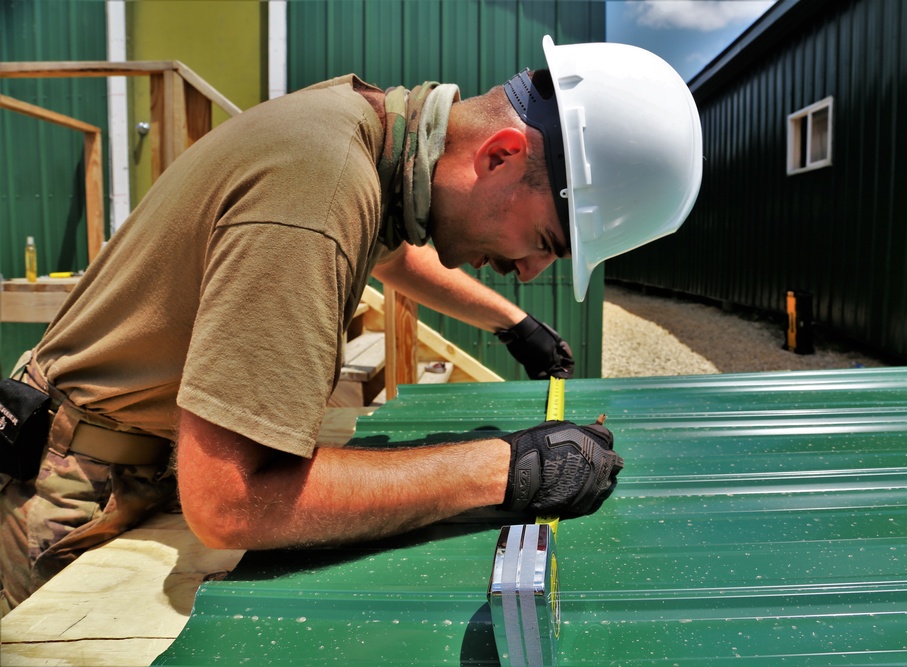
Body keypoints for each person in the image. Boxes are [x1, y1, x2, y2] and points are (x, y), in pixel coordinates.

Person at [0, 36, 702, 613]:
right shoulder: (321, 184)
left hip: (121, 459)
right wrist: (505, 467)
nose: (528, 272)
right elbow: (231, 502)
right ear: (501, 155)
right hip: (66, 492)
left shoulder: (359, 128)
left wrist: (511, 321)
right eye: (547, 243)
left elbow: (387, 250)